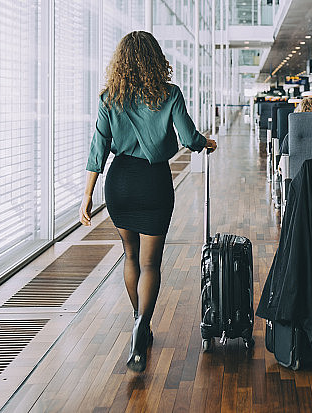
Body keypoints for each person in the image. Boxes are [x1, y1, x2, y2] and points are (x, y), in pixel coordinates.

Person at [80, 31, 216, 372]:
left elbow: (98, 147)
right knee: (151, 263)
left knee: (129, 256)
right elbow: (188, 138)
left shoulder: (109, 98)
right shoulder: (169, 94)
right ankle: (142, 323)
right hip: (153, 181)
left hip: (119, 183)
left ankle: (141, 322)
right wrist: (206, 143)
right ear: (156, 60)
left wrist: (87, 195)